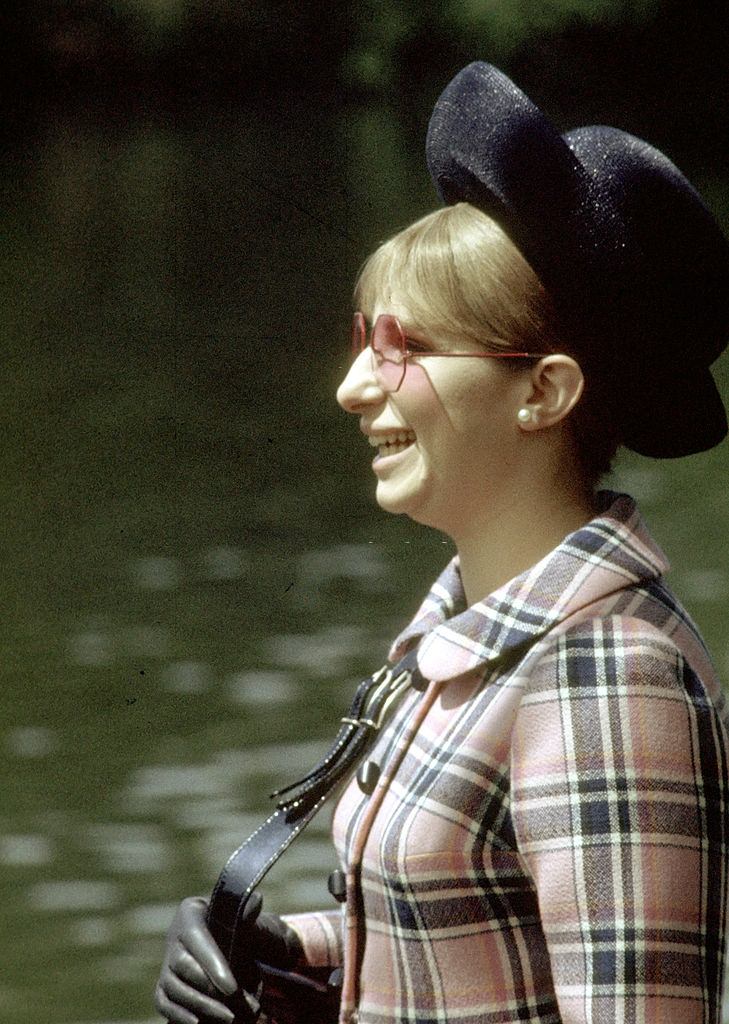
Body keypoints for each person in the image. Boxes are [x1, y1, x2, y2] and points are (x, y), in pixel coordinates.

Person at [155, 62, 729, 1024]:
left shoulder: (603, 674)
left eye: (405, 350)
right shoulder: (470, 635)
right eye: (362, 341)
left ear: (542, 392)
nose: (352, 387)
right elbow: (494, 925)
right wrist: (285, 958)